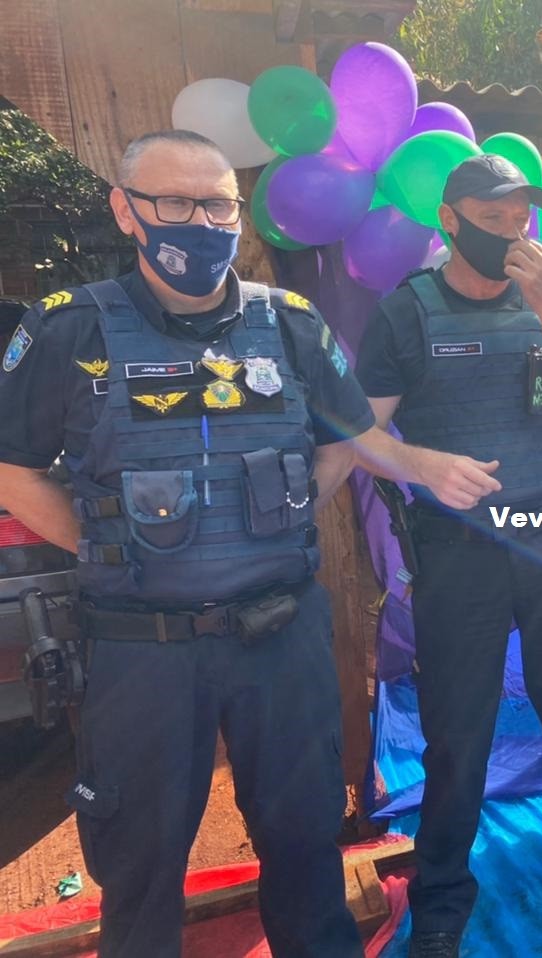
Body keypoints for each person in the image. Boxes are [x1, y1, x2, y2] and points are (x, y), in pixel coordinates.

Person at [0, 130, 374, 957]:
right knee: (139, 862)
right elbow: (12, 468)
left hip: (280, 635)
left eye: (218, 206)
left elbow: (342, 440)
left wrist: (277, 516)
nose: (200, 223)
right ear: (125, 210)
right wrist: (110, 545)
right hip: (143, 650)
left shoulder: (291, 325)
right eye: (174, 203)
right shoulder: (68, 330)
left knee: (306, 841)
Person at [353, 155, 542, 958]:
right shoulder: (407, 313)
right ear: (450, 221)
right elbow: (354, 429)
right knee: (457, 733)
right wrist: (420, 464)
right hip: (459, 552)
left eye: (522, 218)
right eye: (493, 219)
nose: (513, 233)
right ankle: (442, 893)